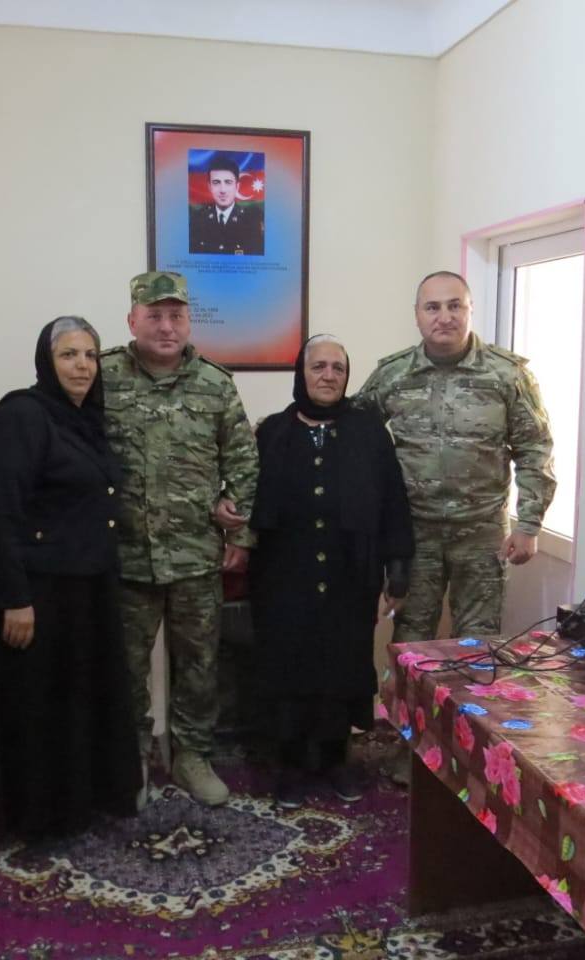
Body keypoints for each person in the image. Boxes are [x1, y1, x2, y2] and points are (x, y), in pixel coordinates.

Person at [100, 271, 259, 806]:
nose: (167, 327)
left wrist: (241, 532)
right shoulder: (103, 377)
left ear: (189, 321)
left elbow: (243, 462)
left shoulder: (215, 383)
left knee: (198, 665)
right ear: (133, 320)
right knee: (125, 668)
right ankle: (132, 758)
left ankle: (192, 756)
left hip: (196, 556)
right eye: (155, 316)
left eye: (176, 316)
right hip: (126, 556)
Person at [0, 317, 142, 837]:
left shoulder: (85, 419)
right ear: (46, 363)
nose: (82, 366)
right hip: (40, 594)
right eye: (69, 355)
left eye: (90, 355)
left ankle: (81, 804)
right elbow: (1, 512)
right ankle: (39, 819)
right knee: (43, 709)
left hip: (89, 589)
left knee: (81, 704)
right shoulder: (22, 416)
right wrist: (14, 598)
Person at [250, 335, 413, 808]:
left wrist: (397, 568)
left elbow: (393, 502)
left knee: (342, 665)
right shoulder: (272, 432)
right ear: (301, 373)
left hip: (350, 576)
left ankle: (335, 757)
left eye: (338, 368)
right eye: (318, 366)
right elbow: (246, 494)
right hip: (284, 576)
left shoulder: (369, 433)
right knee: (289, 667)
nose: (328, 375)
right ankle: (291, 764)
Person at [357, 270, 555, 650]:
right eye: (433, 307)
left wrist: (529, 524)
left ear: (470, 310)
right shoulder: (393, 374)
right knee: (411, 642)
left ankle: (470, 692)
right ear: (417, 315)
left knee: (477, 646)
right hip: (415, 534)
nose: (444, 317)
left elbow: (535, 447)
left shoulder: (507, 374)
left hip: (482, 533)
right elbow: (353, 432)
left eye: (454, 306)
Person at [189, 152, 264, 255]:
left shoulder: (251, 221)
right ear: (210, 187)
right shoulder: (198, 219)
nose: (222, 190)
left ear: (237, 187)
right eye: (216, 183)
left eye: (228, 182)